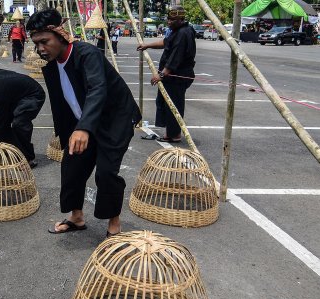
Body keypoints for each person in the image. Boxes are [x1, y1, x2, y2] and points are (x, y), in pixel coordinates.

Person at [26, 9, 141, 237]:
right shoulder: (52, 65)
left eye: (44, 42)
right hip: (84, 121)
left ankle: (114, 225)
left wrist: (83, 128)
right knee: (72, 165)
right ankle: (76, 218)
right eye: (36, 43)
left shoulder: (86, 53)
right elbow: (64, 101)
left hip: (114, 119)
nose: (40, 49)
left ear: (61, 34)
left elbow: (97, 89)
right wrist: (68, 132)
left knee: (106, 173)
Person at [137, 6, 196, 142]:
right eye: (168, 19)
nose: (169, 22)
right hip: (171, 76)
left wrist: (162, 74)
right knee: (165, 103)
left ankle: (174, 135)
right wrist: (148, 45)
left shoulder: (183, 33)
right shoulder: (177, 31)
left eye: (172, 20)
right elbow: (165, 42)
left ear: (181, 19)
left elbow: (176, 57)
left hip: (177, 76)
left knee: (173, 105)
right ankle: (170, 133)